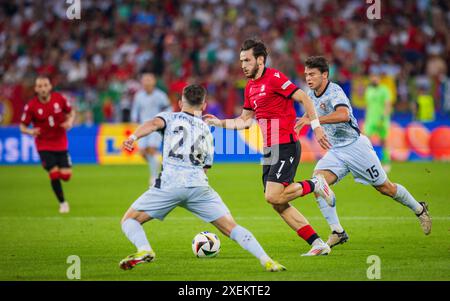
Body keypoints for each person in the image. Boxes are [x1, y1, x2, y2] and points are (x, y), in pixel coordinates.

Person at [119, 84, 286, 272]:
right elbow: (206, 167)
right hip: (198, 185)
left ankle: (144, 249)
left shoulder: (169, 117)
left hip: (170, 184)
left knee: (130, 220)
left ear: (180, 102)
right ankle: (267, 260)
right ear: (204, 105)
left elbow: (152, 124)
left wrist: (133, 137)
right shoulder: (206, 131)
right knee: (231, 227)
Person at [204, 39, 334, 256]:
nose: (243, 65)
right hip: (269, 149)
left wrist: (316, 126)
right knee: (278, 203)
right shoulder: (250, 87)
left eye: (247, 60)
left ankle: (316, 184)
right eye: (241, 61)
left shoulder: (274, 78)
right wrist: (219, 122)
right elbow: (245, 121)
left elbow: (303, 98)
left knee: (273, 196)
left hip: (286, 145)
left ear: (260, 60)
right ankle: (318, 243)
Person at [295, 56, 432, 248]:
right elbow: (311, 112)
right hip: (336, 151)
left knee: (386, 188)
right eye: (306, 74)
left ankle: (419, 209)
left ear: (324, 75)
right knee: (318, 182)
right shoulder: (310, 94)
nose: (308, 78)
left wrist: (316, 121)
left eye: (312, 74)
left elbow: (343, 115)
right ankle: (337, 231)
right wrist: (302, 121)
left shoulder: (335, 91)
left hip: (355, 147)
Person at [20, 76, 76, 213]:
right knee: (54, 174)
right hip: (43, 145)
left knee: (66, 176)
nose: (43, 88)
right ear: (36, 89)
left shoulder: (59, 99)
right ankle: (63, 203)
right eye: (40, 86)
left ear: (50, 87)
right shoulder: (31, 106)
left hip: (61, 142)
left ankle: (63, 169)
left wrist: (70, 122)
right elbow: (22, 126)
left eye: (45, 85)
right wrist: (30, 130)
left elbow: (71, 112)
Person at [131, 73, 172, 186]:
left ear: (153, 82)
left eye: (149, 80)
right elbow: (135, 109)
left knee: (151, 150)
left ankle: (154, 177)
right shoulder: (139, 96)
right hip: (143, 127)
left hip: (156, 127)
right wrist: (134, 119)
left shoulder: (160, 95)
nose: (147, 83)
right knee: (143, 152)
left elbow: (168, 107)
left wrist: (165, 119)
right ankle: (160, 164)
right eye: (145, 80)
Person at [364, 73, 392, 172]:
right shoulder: (369, 90)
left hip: (382, 120)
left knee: (383, 141)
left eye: (376, 77)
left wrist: (384, 116)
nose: (374, 79)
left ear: (379, 79)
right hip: (370, 120)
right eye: (373, 77)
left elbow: (388, 104)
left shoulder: (384, 90)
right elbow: (368, 105)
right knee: (366, 141)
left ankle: (386, 161)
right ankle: (368, 162)